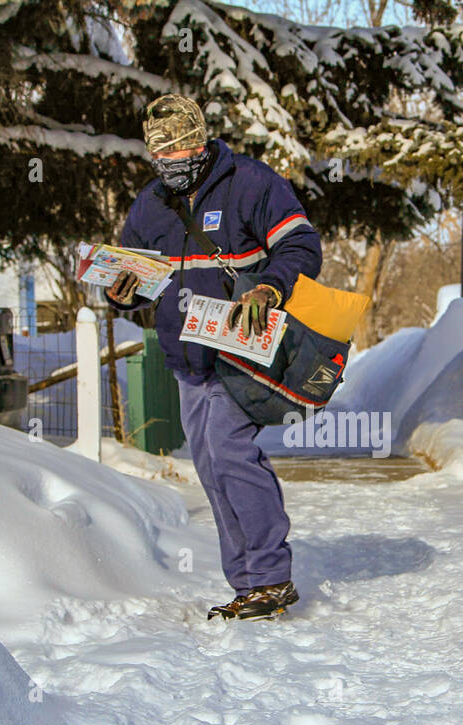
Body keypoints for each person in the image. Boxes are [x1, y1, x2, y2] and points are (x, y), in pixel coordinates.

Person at [106, 94, 322, 621]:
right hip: (186, 359)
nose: (175, 161)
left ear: (202, 142)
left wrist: (269, 288)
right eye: (164, 155)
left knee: (230, 453)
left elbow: (301, 245)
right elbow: (137, 279)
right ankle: (248, 581)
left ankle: (271, 575)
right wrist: (121, 292)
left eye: (183, 149)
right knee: (209, 464)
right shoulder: (149, 204)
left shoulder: (251, 182)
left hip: (242, 352)